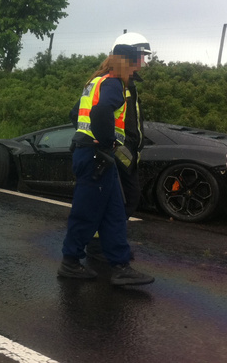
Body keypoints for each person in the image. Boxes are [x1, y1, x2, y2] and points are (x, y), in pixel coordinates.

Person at [58, 37, 154, 286]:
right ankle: (70, 262)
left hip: (95, 156)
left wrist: (87, 137)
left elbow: (74, 114)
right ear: (127, 61)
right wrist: (106, 141)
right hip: (96, 156)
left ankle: (121, 266)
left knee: (113, 213)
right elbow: (100, 113)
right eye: (139, 60)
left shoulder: (95, 82)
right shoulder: (113, 84)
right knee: (87, 213)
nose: (141, 66)